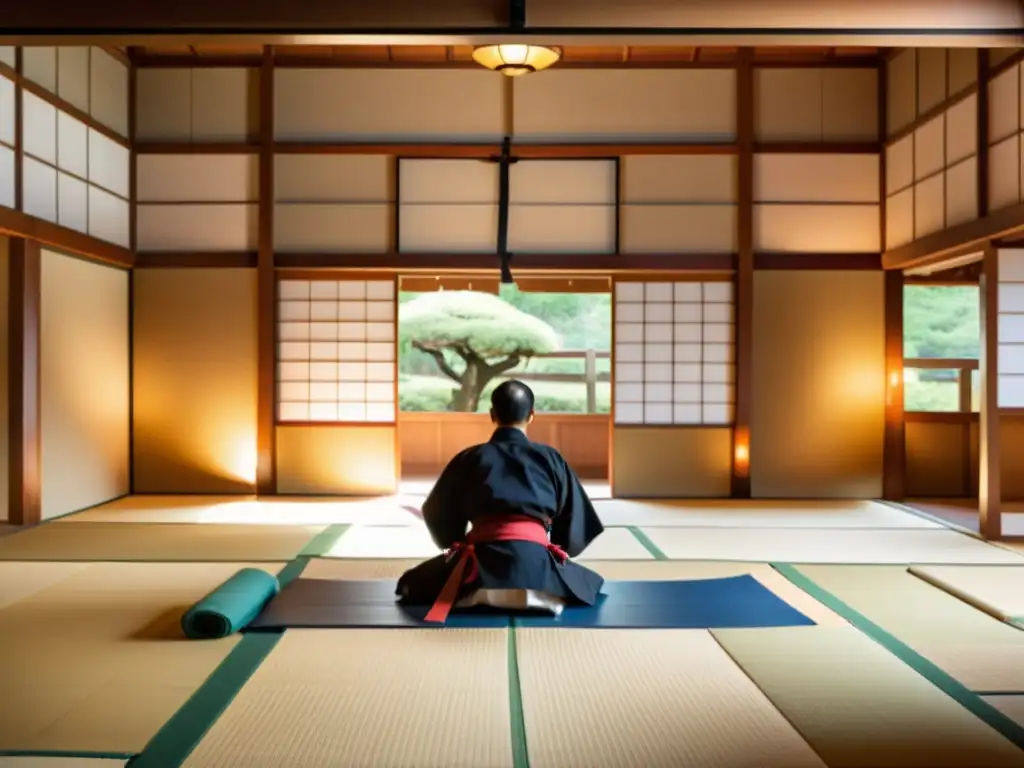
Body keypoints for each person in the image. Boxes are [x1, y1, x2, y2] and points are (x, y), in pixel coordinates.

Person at [396, 380, 605, 623]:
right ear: (532, 415)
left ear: (492, 415)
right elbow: (575, 520)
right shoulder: (550, 458)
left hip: (476, 576)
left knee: (410, 583)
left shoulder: (469, 457)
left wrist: (454, 539)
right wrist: (551, 549)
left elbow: (438, 513)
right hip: (538, 577)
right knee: (591, 583)